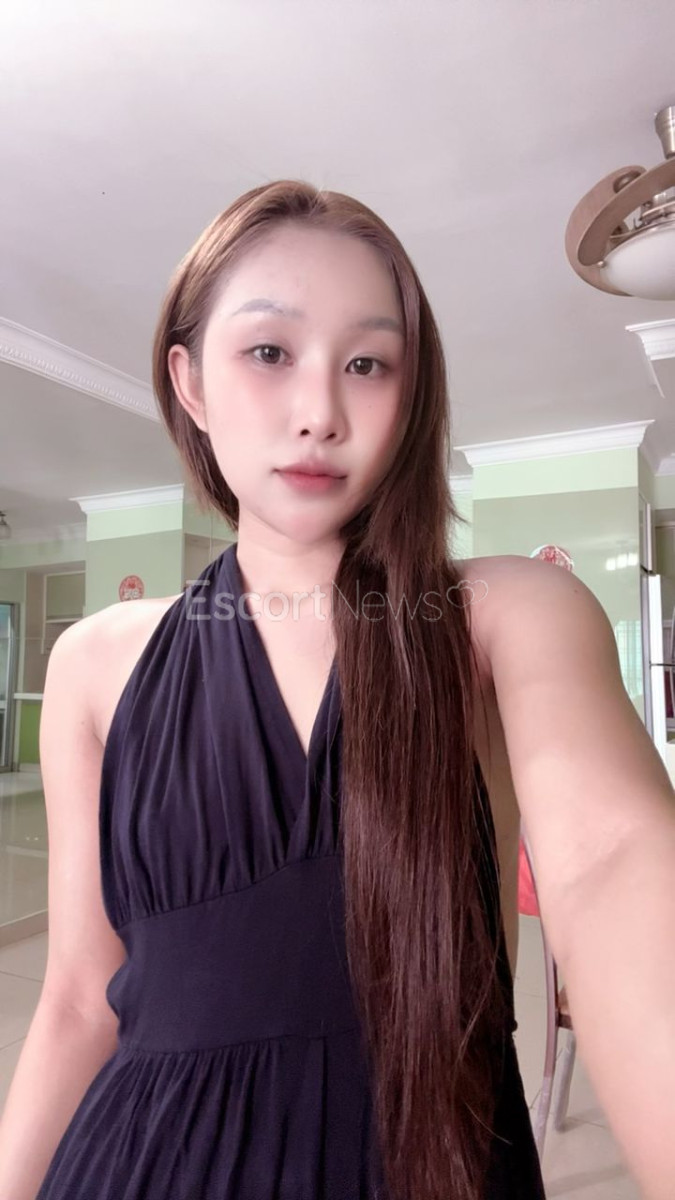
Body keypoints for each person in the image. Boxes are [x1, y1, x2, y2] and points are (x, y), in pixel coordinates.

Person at [1, 180, 674, 1200]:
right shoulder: (95, 661)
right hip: (136, 1164)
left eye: (367, 364)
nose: (319, 412)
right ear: (190, 383)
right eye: (269, 352)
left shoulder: (505, 614)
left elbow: (613, 864)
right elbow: (76, 1001)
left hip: (425, 1162)